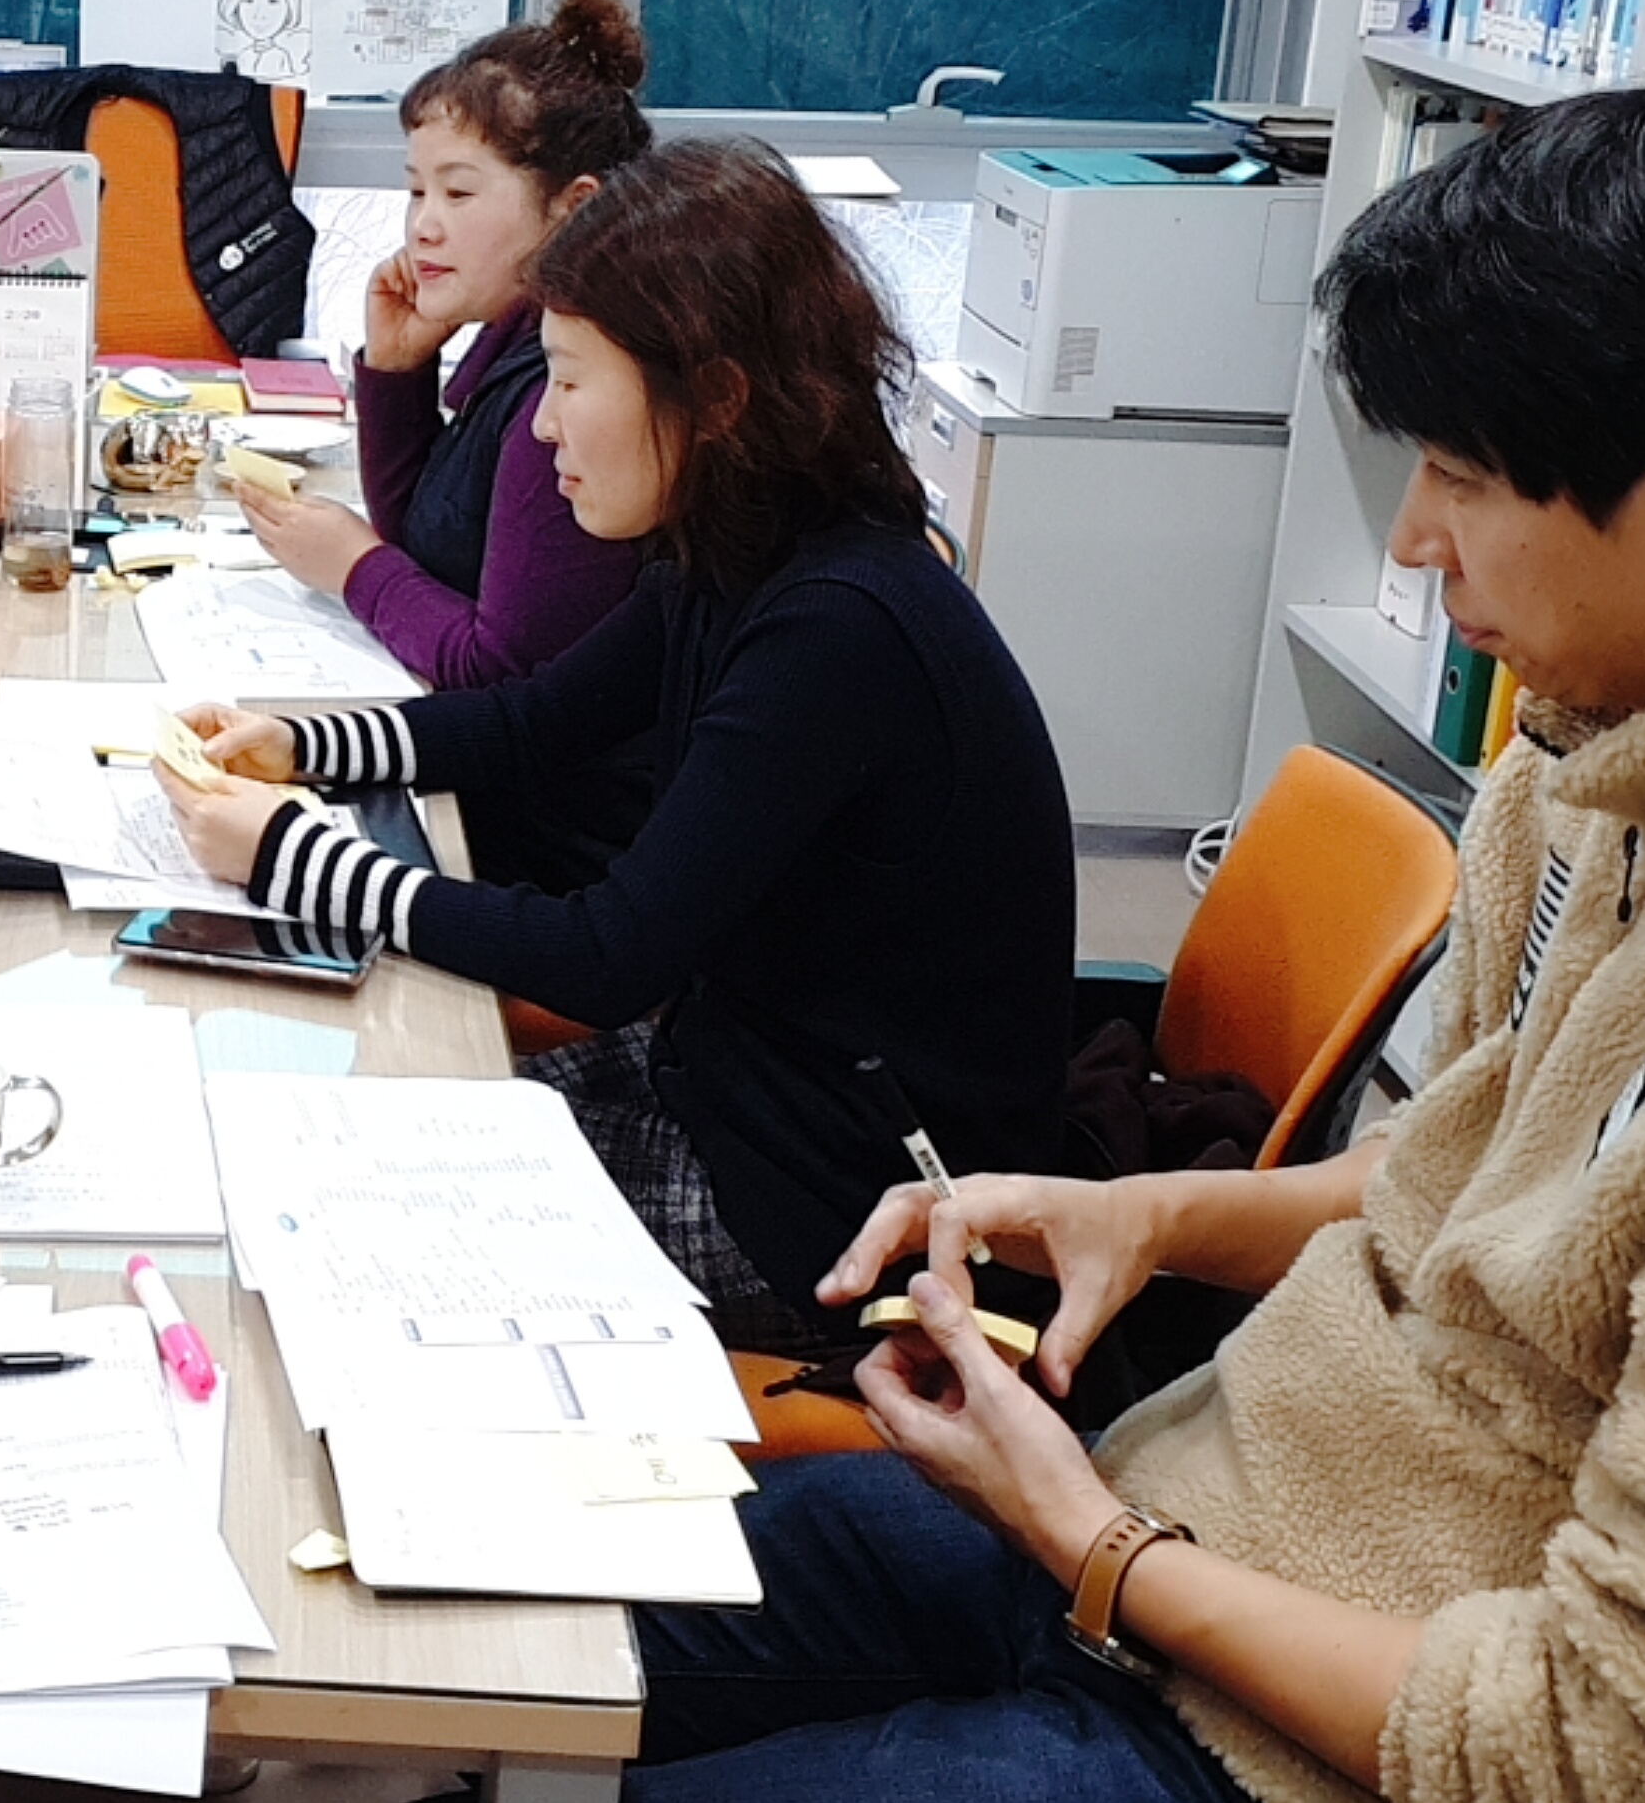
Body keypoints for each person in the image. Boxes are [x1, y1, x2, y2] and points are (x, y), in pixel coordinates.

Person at [298, 85, 1645, 1803]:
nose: (1411, 543)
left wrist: (1099, 1553)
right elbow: (1510, 1187)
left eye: (1465, 479)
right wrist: (1153, 1212)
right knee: (494, 1637)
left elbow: (1639, 1799)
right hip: (1207, 1546)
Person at [164, 139, 1077, 1348]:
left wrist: (291, 857)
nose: (543, 428)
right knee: (313, 1138)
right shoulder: (742, 541)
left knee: (337, 1238)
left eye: (569, 382)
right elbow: (537, 718)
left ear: (717, 398)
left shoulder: (835, 627)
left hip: (832, 1209)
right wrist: (304, 743)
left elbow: (608, 956)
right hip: (724, 1090)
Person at [236, 0, 654, 884]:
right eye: (416, 188)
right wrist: (397, 371)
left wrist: (354, 568)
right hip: (483, 790)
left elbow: (498, 674)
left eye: (459, 192)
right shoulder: (511, 345)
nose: (423, 223)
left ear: (572, 207)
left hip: (544, 847)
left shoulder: (569, 399)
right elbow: (432, 541)